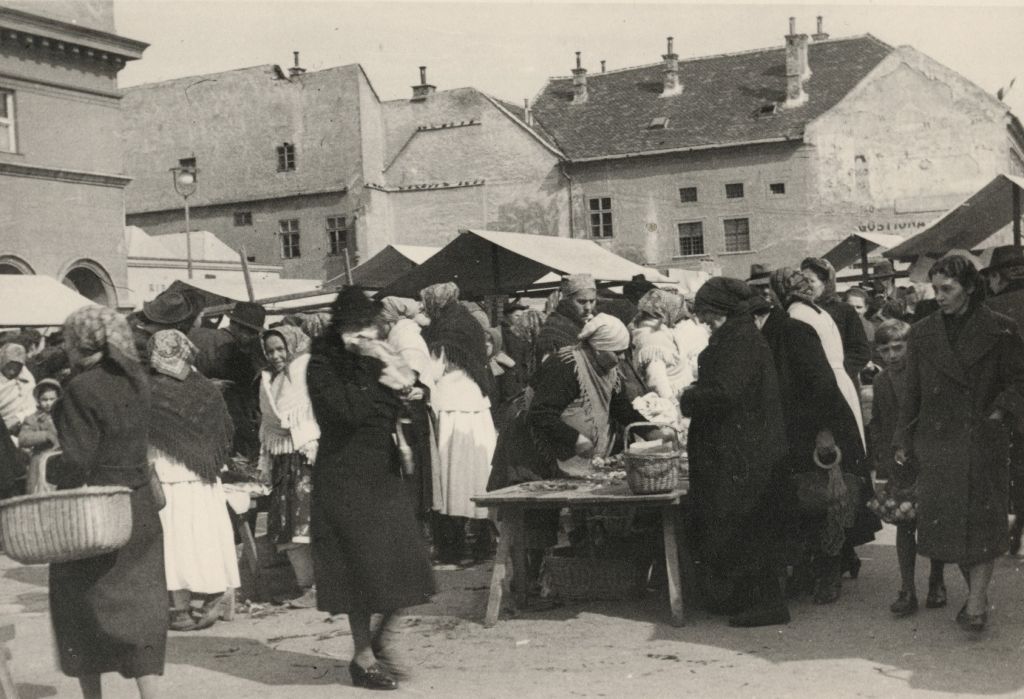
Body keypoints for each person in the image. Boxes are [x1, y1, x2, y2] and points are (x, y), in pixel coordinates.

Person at [307, 286, 435, 691]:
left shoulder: (375, 358)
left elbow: (406, 399)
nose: (364, 335)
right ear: (340, 329)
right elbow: (344, 413)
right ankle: (363, 657)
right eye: (355, 328)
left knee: (408, 562)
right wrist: (381, 379)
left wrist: (410, 389)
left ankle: (379, 639)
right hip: (345, 476)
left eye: (368, 327)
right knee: (357, 570)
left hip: (383, 471)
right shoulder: (321, 365)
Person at [895, 254, 1024, 632]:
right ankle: (976, 597)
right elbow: (912, 392)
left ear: (969, 287)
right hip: (937, 442)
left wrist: (999, 413)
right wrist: (902, 436)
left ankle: (977, 602)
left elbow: (1018, 381)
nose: (938, 296)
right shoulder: (921, 332)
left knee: (981, 524)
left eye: (947, 289)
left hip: (982, 438)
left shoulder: (1001, 329)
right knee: (952, 528)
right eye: (935, 289)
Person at [48, 305, 166, 699]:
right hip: (139, 506)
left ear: (79, 343)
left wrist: (52, 473)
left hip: (95, 513)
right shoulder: (137, 381)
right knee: (140, 610)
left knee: (79, 607)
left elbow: (78, 460)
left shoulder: (81, 388)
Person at [681, 278, 789, 627]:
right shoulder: (738, 337)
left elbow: (725, 392)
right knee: (741, 524)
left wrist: (689, 396)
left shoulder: (739, 341)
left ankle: (767, 605)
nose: (704, 321)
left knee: (748, 523)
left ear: (723, 311)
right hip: (743, 447)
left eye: (708, 314)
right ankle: (744, 598)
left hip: (743, 449)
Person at [770, 268, 878, 601]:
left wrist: (824, 430)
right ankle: (839, 558)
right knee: (838, 488)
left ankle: (828, 569)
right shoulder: (817, 312)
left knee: (823, 492)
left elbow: (813, 380)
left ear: (780, 292)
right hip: (837, 400)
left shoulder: (794, 322)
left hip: (819, 412)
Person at [146, 330, 239, 631]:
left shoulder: (150, 388)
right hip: (203, 475)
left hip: (167, 472)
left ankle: (181, 608)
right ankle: (214, 594)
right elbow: (224, 428)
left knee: (174, 542)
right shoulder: (204, 387)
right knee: (205, 536)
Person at [867, 319, 947, 617]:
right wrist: (882, 456)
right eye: (885, 350)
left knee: (933, 522)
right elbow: (877, 421)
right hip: (899, 463)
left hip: (928, 457)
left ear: (911, 347)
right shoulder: (881, 381)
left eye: (898, 347)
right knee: (904, 524)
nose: (892, 355)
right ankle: (907, 588)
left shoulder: (926, 376)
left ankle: (936, 580)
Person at [420, 282, 497, 564]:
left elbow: (433, 370)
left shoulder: (445, 330)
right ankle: (483, 542)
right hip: (475, 405)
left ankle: (458, 546)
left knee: (455, 478)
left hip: (454, 408)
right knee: (477, 475)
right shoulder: (469, 322)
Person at [259, 325, 320, 608]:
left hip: (307, 457)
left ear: (292, 346)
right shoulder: (275, 382)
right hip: (285, 460)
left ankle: (320, 586)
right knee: (289, 525)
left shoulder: (307, 370)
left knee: (308, 521)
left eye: (280, 349)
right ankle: (305, 586)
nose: (275, 355)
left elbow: (315, 414)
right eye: (270, 350)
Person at [980, 245, 1024, 554]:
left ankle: (1015, 530)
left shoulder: (992, 311)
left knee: (1016, 470)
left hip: (1010, 402)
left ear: (997, 277)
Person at [189, 301, 266, 460]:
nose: (251, 337)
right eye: (248, 332)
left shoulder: (199, 335)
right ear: (234, 325)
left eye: (254, 333)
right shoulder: (232, 349)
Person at [800, 257, 871, 385]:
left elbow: (861, 351)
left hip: (841, 383)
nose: (806, 286)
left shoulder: (844, 311)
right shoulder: (798, 311)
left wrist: (837, 373)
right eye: (803, 281)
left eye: (811, 281)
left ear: (826, 283)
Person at [631, 289, 691, 399]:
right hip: (670, 401)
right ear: (666, 311)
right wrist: (672, 405)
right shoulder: (654, 339)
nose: (678, 319)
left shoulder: (660, 332)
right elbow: (657, 380)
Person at [536, 274, 598, 362]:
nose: (588, 307)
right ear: (566, 301)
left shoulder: (591, 323)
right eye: (581, 301)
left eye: (592, 301)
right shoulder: (553, 329)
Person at [18, 378, 61, 494]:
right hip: (40, 461)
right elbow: (23, 439)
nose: (48, 403)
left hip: (60, 459)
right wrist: (45, 435)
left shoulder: (65, 416)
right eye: (44, 399)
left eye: (52, 399)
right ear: (38, 400)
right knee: (39, 492)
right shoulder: (33, 419)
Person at [0, 342, 37, 436]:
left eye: (17, 368)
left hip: (22, 426)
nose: (13, 372)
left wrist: (18, 417)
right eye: (9, 367)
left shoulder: (26, 378)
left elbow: (32, 407)